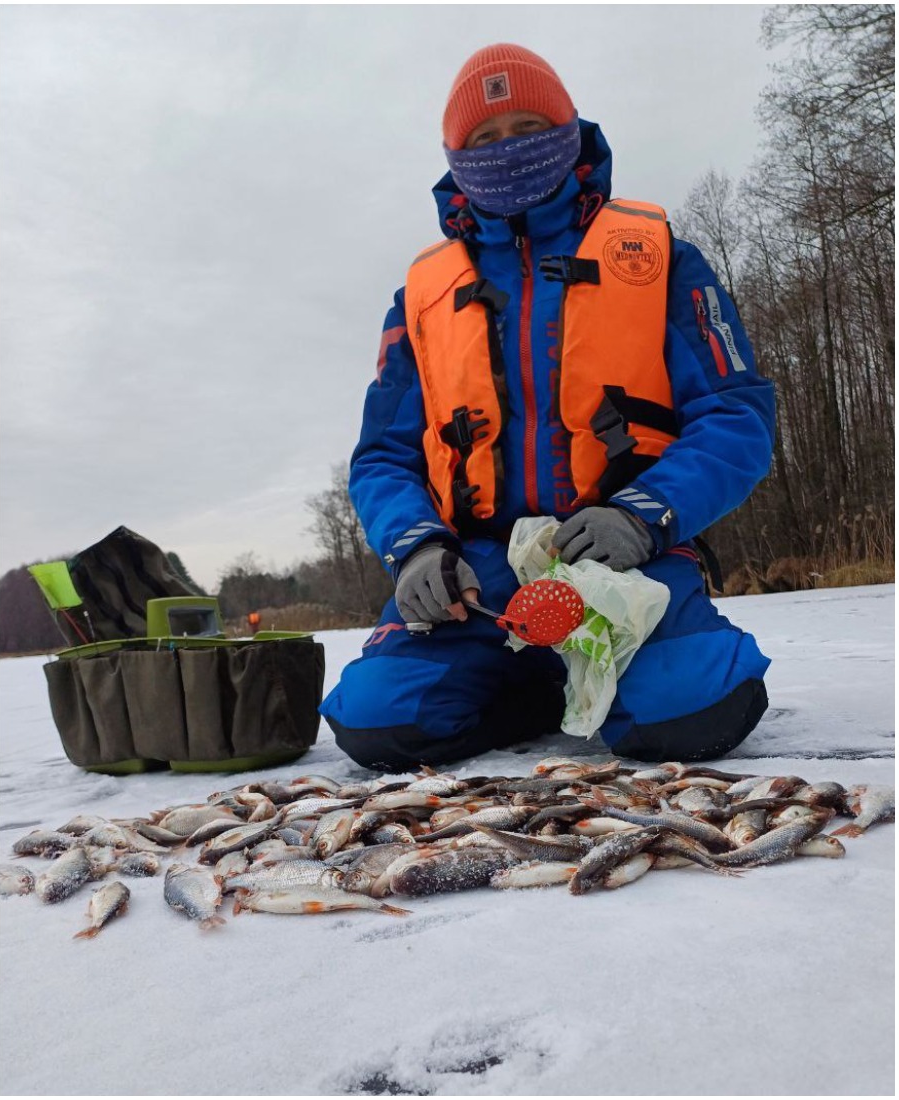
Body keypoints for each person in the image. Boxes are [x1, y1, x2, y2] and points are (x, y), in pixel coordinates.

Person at [317, 44, 775, 771]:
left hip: (622, 556)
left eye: (529, 127)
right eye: (484, 140)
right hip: (476, 575)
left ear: (568, 132)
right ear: (455, 157)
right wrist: (417, 547)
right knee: (378, 724)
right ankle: (539, 678)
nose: (509, 150)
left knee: (696, 712)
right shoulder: (422, 298)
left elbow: (737, 415)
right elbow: (384, 455)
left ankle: (597, 672)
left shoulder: (661, 258)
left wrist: (645, 514)